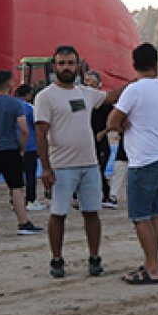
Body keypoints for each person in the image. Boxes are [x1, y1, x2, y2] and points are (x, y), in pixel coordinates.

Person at [35, 45, 124, 278]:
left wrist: (139, 81)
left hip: (90, 165)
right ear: (54, 67)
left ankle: (94, 258)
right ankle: (57, 260)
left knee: (92, 212)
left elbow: (111, 97)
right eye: (62, 63)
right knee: (59, 213)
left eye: (70, 63)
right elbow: (40, 134)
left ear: (78, 66)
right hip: (61, 167)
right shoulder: (45, 97)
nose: (66, 67)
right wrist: (45, 168)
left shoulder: (86, 93)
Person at [104, 43, 158, 285]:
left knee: (140, 216)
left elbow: (112, 120)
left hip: (142, 160)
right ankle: (152, 260)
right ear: (156, 64)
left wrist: (121, 125)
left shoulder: (133, 90)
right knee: (153, 214)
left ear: (133, 65)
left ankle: (153, 268)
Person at [0, 70, 44, 238]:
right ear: (10, 83)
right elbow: (24, 129)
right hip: (10, 150)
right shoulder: (15, 104)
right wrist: (21, 148)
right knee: (16, 188)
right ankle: (23, 223)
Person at [84, 71, 119, 210]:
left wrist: (103, 132)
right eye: (86, 81)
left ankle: (107, 195)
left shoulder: (105, 102)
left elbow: (113, 121)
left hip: (101, 142)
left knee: (99, 169)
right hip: (86, 142)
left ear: (98, 85)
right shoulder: (84, 102)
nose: (87, 84)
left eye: (90, 82)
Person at [14, 84, 46, 211]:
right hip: (29, 145)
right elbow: (38, 123)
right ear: (27, 95)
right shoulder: (28, 108)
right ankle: (31, 200)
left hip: (13, 145)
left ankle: (15, 201)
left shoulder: (11, 106)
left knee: (16, 175)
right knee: (30, 174)